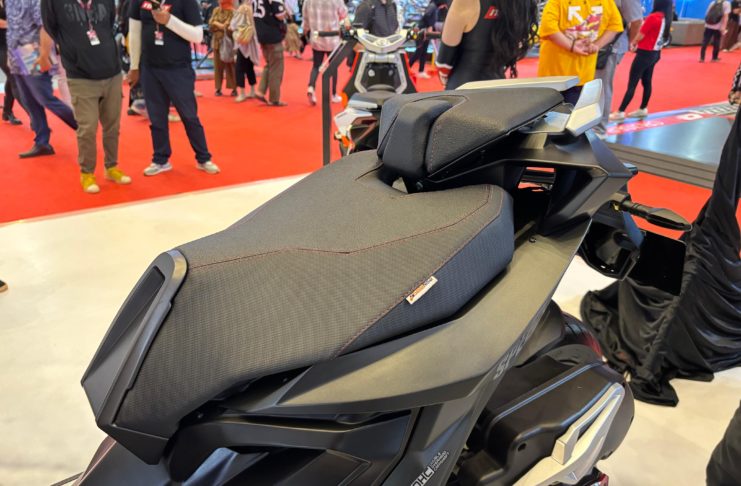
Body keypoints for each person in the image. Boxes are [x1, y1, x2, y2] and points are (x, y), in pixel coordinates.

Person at [41, 0, 131, 194]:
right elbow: (51, 27)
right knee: (87, 127)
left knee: (112, 125)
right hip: (80, 74)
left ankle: (111, 166)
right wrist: (73, 49)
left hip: (112, 71)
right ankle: (87, 172)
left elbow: (108, 23)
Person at [129, 0, 221, 176]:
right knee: (157, 118)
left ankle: (203, 158)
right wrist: (134, 66)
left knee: (189, 116)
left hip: (178, 68)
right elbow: (134, 31)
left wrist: (169, 20)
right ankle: (160, 159)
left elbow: (197, 36)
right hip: (150, 68)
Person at [6, 0, 78, 158]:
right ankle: (42, 142)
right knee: (29, 100)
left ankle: (83, 127)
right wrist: (10, 56)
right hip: (16, 55)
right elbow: (12, 27)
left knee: (45, 98)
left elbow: (45, 26)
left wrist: (44, 55)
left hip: (32, 53)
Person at [436, 0, 539, 90]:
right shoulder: (523, 3)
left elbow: (443, 63)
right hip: (497, 87)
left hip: (463, 89)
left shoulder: (465, 2)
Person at [537, 0, 623, 105]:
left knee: (550, 110)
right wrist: (596, 45)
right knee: (574, 110)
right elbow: (615, 26)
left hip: (555, 74)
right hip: (577, 74)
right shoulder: (607, 2)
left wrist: (574, 46)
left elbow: (548, 28)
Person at [610, 0, 671, 121]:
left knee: (632, 83)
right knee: (647, 81)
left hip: (644, 54)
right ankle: (643, 108)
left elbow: (641, 33)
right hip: (655, 53)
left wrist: (632, 43)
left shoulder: (653, 17)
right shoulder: (666, 18)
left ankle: (620, 111)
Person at [594, 0, 642, 133]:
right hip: (592, 44)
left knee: (601, 87)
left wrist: (632, 42)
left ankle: (599, 127)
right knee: (591, 86)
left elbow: (636, 21)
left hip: (610, 47)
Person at [302, 0, 347, 105]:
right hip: (332, 38)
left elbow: (305, 18)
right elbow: (343, 13)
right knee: (333, 67)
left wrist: (305, 30)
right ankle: (333, 94)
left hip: (316, 38)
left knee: (316, 66)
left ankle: (311, 87)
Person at [254, 0, 288, 106]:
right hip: (273, 36)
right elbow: (279, 15)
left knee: (269, 64)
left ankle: (261, 91)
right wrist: (286, 12)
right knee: (277, 68)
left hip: (261, 35)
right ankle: (274, 98)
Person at [230, 0, 259, 102]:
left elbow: (233, 24)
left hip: (243, 41)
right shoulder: (254, 6)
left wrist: (232, 28)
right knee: (249, 67)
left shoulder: (242, 8)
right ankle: (252, 90)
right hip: (252, 40)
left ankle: (242, 93)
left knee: (239, 68)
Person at [408, 0, 444, 79]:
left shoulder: (435, 7)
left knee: (424, 52)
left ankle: (421, 71)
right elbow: (426, 15)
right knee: (418, 52)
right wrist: (430, 26)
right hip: (422, 32)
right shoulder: (432, 6)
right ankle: (407, 69)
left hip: (426, 32)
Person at [1, 0, 22, 125]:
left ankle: (7, 111)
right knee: (14, 77)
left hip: (11, 44)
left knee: (13, 77)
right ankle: (34, 115)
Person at [209, 0, 237, 96]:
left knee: (231, 66)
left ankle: (234, 88)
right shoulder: (216, 10)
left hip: (228, 43)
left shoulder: (233, 12)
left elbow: (228, 26)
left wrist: (216, 23)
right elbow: (210, 24)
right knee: (217, 66)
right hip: (216, 42)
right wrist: (219, 25)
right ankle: (218, 88)